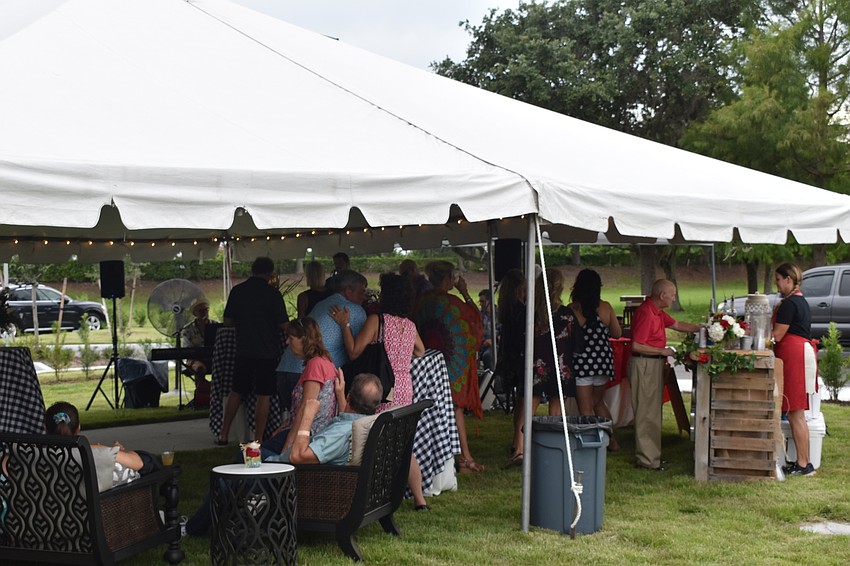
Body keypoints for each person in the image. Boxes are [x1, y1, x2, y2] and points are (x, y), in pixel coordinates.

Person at [184, 373, 382, 537]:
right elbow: (347, 418)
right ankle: (246, 506)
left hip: (288, 477)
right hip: (299, 471)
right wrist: (340, 396)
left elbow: (298, 457)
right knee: (243, 457)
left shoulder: (340, 434)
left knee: (225, 483)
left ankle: (193, 528)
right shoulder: (365, 423)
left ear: (350, 397)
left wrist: (307, 415)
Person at [330, 272, 430, 509]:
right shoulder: (409, 324)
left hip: (382, 388)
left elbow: (354, 351)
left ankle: (373, 495)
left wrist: (344, 325)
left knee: (376, 442)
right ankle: (420, 500)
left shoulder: (377, 321)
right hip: (405, 388)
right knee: (404, 444)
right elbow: (421, 351)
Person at [416, 260, 484, 473]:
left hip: (424, 361)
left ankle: (435, 457)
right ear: (448, 280)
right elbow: (476, 324)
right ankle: (465, 459)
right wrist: (465, 293)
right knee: (456, 408)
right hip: (450, 362)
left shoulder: (420, 302)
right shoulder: (453, 303)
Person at [217, 257, 289, 446]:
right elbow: (283, 324)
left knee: (237, 391)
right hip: (268, 352)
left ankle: (223, 434)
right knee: (263, 395)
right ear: (269, 273)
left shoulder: (238, 291)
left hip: (244, 350)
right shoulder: (272, 294)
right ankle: (257, 438)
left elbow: (227, 321)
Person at [629, 279, 700, 471]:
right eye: (673, 294)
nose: (674, 297)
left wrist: (700, 328)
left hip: (653, 364)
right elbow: (636, 345)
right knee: (646, 412)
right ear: (662, 296)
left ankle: (652, 457)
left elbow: (677, 324)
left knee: (652, 411)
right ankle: (646, 460)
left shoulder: (657, 311)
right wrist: (663, 351)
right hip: (645, 364)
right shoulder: (646, 313)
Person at [515, 269, 583, 464]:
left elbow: (520, 339)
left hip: (536, 366)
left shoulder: (530, 313)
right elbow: (578, 343)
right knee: (556, 410)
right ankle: (553, 449)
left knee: (529, 408)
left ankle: (519, 449)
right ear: (560, 289)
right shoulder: (566, 315)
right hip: (561, 366)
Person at [276, 270, 369, 410]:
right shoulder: (355, 310)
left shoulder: (321, 303)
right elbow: (355, 352)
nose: (365, 297)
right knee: (312, 426)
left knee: (296, 422)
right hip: (311, 376)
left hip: (284, 369)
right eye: (362, 292)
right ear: (348, 291)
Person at [261, 317, 340, 461]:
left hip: (308, 436)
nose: (287, 342)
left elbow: (306, 408)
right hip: (311, 434)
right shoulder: (324, 361)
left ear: (304, 339)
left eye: (291, 338)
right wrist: (284, 425)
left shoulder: (315, 365)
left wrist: (288, 445)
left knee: (247, 455)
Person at [45, 402, 159, 490]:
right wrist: (111, 450)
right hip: (102, 517)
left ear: (46, 429)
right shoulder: (92, 453)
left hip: (52, 518)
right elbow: (140, 463)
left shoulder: (33, 457)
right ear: (78, 427)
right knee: (149, 461)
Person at [569, 269, 622, 451]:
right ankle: (612, 441)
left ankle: (594, 444)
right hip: (603, 362)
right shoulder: (606, 307)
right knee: (598, 402)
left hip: (582, 363)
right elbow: (617, 333)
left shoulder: (573, 309)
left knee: (585, 407)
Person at [773, 263, 817, 477]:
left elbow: (777, 335)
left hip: (795, 355)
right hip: (798, 353)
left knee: (795, 412)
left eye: (779, 280)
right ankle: (803, 462)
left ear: (789, 279)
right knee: (795, 412)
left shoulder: (790, 304)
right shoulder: (798, 300)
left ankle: (804, 464)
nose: (777, 284)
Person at [496, 269, 526, 465]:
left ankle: (518, 444)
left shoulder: (505, 307)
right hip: (521, 357)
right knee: (524, 403)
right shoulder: (521, 309)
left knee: (520, 403)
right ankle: (519, 446)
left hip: (510, 357)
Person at [180, 300, 218, 389]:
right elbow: (187, 349)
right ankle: (201, 393)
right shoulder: (188, 329)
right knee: (199, 368)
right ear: (195, 313)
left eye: (206, 310)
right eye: (201, 311)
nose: (204, 312)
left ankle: (218, 392)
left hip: (213, 357)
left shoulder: (216, 325)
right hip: (195, 359)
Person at [478, 289, 498, 371]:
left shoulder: (499, 315)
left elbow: (505, 334)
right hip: (481, 345)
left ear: (490, 301)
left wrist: (493, 340)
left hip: (495, 346)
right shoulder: (479, 315)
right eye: (480, 302)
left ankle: (490, 380)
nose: (481, 304)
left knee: (488, 356)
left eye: (483, 301)